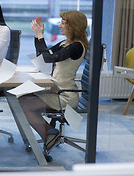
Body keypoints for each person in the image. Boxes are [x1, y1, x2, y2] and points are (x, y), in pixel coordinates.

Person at [18, 10, 89, 150]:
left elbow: (48, 58)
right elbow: (43, 55)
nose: (60, 26)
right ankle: (50, 132)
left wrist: (40, 36)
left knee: (24, 104)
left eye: (63, 23)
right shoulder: (65, 43)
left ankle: (50, 135)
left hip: (65, 96)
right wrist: (38, 36)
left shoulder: (76, 47)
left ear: (73, 26)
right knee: (22, 99)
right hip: (57, 92)